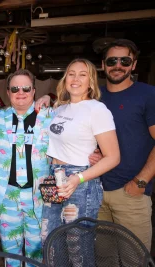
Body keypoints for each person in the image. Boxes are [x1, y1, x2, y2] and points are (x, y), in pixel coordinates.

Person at [41, 58, 120, 265]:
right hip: (53, 178)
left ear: (91, 82)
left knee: (78, 249)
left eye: (82, 74)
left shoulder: (97, 109)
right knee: (50, 243)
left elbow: (113, 157)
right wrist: (42, 99)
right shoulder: (60, 109)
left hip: (81, 183)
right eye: (71, 73)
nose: (75, 79)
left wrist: (78, 178)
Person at [97, 39, 155, 250]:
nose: (118, 65)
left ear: (134, 64)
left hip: (131, 193)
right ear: (103, 65)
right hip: (97, 193)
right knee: (104, 259)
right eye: (112, 60)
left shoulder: (148, 95)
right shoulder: (96, 97)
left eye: (125, 60)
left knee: (134, 259)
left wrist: (141, 182)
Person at [0, 69, 54, 266]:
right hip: (7, 196)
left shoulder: (48, 115)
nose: (20, 92)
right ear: (8, 92)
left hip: (37, 196)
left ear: (34, 91)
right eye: (15, 88)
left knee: (36, 253)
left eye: (26, 88)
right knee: (10, 252)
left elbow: (75, 115)